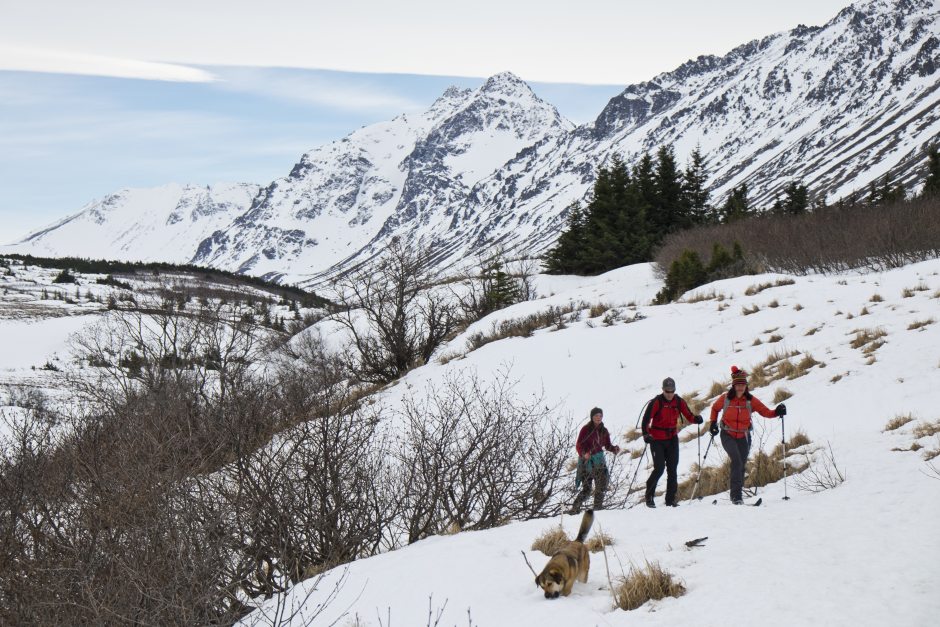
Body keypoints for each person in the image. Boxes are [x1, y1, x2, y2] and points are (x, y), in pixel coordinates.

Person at [708, 366, 787, 504]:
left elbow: (765, 412)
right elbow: (715, 408)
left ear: (746, 386)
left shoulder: (750, 400)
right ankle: (736, 497)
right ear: (734, 386)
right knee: (737, 460)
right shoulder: (726, 398)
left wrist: (777, 412)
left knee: (741, 465)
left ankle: (737, 495)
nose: (740, 387)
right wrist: (713, 423)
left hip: (744, 436)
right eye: (738, 385)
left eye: (743, 385)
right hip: (727, 434)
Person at [641, 377, 703, 508]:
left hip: (672, 438)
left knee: (672, 469)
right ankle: (649, 496)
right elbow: (646, 420)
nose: (670, 393)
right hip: (656, 439)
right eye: (667, 391)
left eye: (672, 391)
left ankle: (670, 500)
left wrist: (696, 419)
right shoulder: (656, 402)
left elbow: (689, 415)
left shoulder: (678, 401)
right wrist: (646, 434)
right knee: (659, 469)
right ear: (663, 390)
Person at [569, 407, 621, 513]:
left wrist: (614, 449)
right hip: (586, 463)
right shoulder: (585, 429)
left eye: (600, 416)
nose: (599, 418)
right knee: (587, 489)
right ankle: (575, 508)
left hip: (599, 462)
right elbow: (579, 444)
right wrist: (584, 454)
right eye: (596, 416)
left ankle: (597, 509)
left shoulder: (604, 430)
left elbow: (607, 445)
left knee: (601, 486)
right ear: (592, 417)